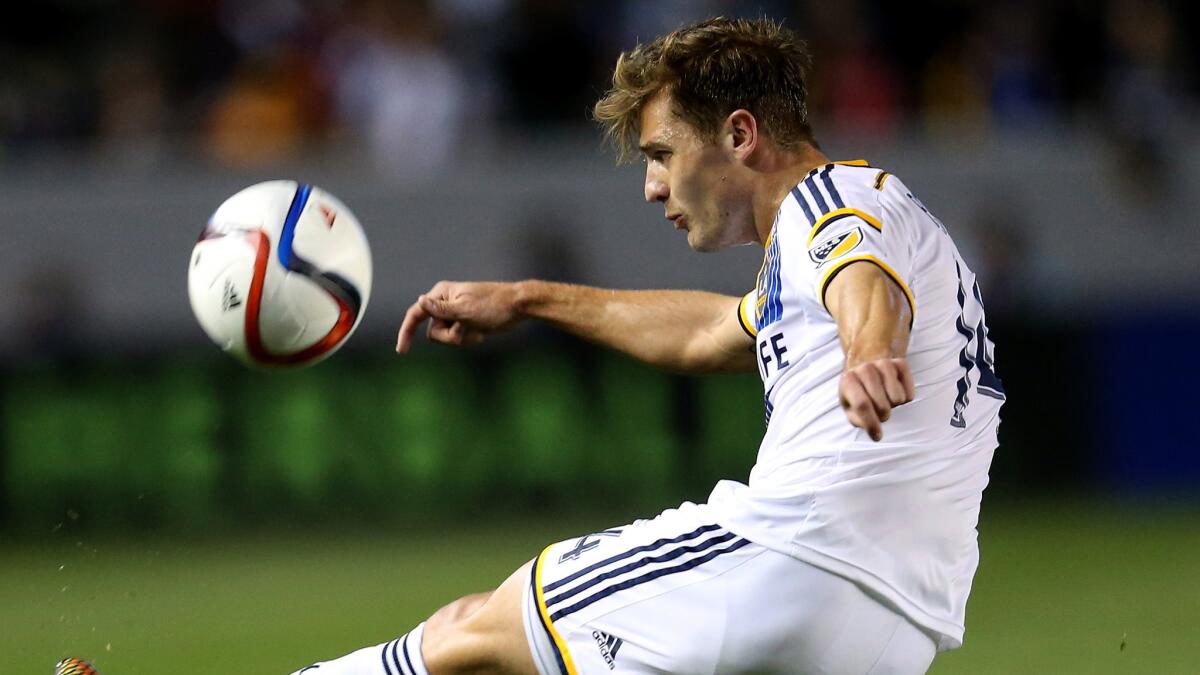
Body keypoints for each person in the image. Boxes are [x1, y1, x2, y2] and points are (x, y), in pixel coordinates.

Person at [292, 16, 1003, 675]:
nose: (651, 186)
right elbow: (708, 332)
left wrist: (870, 352)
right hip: (895, 630)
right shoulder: (877, 224)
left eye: (662, 152)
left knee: (471, 633)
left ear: (740, 134)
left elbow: (862, 278)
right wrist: (528, 299)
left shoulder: (831, 204)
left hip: (791, 558)